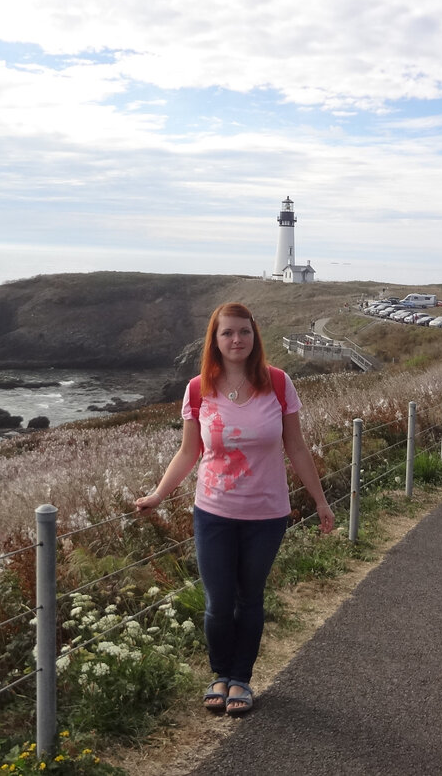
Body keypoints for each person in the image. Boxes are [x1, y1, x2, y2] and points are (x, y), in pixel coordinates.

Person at [134, 302, 335, 716]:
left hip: (267, 514)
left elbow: (295, 446)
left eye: (243, 331)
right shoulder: (197, 389)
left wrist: (320, 500)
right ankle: (219, 674)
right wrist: (158, 493)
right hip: (212, 512)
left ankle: (241, 678)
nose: (236, 340)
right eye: (227, 333)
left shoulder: (278, 384)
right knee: (218, 602)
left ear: (254, 335)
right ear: (215, 339)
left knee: (250, 598)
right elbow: (189, 452)